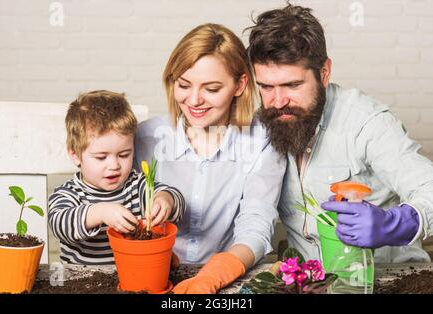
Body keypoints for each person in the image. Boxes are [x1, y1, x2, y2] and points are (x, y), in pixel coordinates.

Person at [246, 3, 433, 263]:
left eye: (293, 85)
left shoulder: (366, 122)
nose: (278, 102)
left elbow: (429, 187)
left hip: (388, 279)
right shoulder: (265, 125)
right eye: (266, 86)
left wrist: (396, 224)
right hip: (313, 282)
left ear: (324, 73)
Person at [135, 23, 286, 293]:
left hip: (226, 280)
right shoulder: (145, 139)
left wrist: (212, 276)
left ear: (240, 85)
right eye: (183, 84)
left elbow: (256, 224)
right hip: (153, 275)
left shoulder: (262, 141)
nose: (194, 100)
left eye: (212, 89)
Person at [48, 90, 185, 265]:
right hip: (82, 280)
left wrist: (166, 200)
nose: (114, 165)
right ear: (75, 155)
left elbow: (176, 199)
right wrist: (100, 212)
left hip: (135, 276)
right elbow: (60, 225)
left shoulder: (136, 185)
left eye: (124, 154)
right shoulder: (69, 193)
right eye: (101, 157)